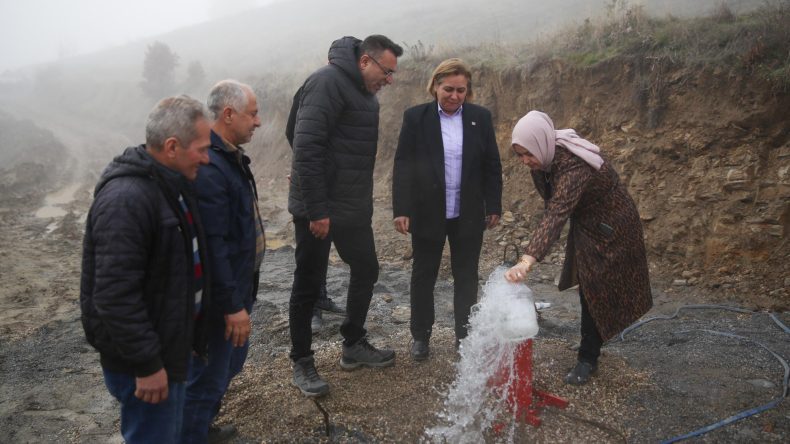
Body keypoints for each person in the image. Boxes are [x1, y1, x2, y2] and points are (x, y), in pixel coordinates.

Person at [80, 96, 211, 443]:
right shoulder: (127, 199)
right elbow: (114, 296)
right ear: (171, 147)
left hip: (170, 349)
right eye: (200, 148)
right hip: (149, 365)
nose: (207, 157)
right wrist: (148, 365)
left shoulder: (170, 185)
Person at [287, 35, 403, 397]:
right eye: (387, 71)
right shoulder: (326, 82)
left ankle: (353, 343)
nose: (390, 80)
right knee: (309, 283)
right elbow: (302, 141)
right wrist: (317, 207)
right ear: (365, 61)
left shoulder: (365, 94)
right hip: (318, 208)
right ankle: (302, 361)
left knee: (367, 267)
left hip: (352, 206)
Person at [504, 110, 652, 385]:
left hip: (612, 225)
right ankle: (591, 342)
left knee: (596, 286)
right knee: (588, 283)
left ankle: (588, 358)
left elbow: (557, 212)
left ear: (540, 143)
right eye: (520, 155)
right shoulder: (545, 158)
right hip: (586, 223)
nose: (525, 161)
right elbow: (554, 205)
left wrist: (527, 260)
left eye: (527, 154)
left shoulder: (573, 165)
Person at [392, 58, 503, 361]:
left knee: (466, 276)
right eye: (448, 89)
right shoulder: (416, 118)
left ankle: (464, 336)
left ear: (468, 91)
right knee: (423, 275)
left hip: (468, 212)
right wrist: (401, 208)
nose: (454, 96)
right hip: (427, 211)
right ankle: (420, 337)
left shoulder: (480, 118)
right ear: (435, 86)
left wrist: (493, 204)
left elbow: (492, 164)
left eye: (461, 90)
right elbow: (403, 165)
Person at [182, 80, 264, 444]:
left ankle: (201, 426)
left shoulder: (228, 156)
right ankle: (191, 434)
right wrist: (232, 305)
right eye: (253, 113)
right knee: (209, 375)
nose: (258, 122)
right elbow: (213, 245)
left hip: (238, 287)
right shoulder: (212, 166)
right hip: (221, 299)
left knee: (228, 366)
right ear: (228, 114)